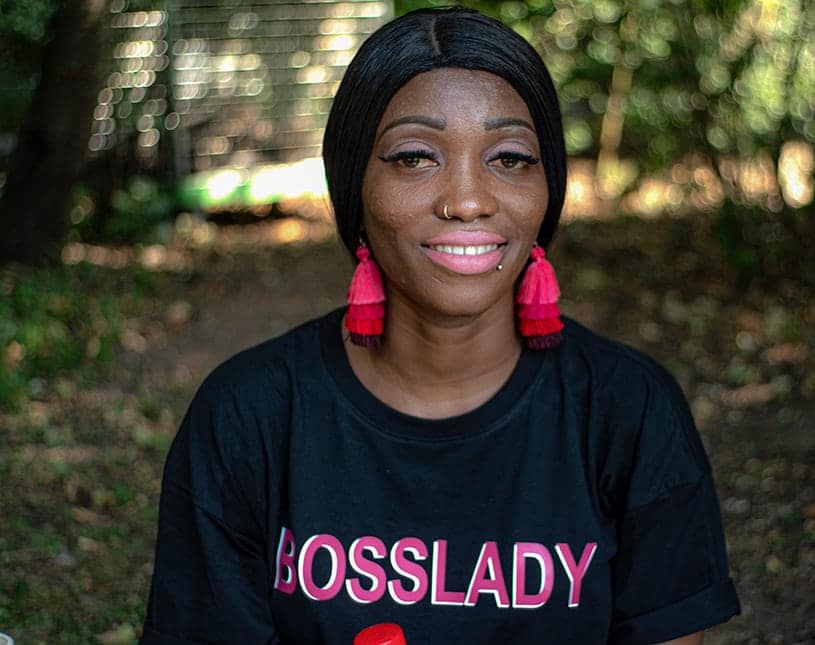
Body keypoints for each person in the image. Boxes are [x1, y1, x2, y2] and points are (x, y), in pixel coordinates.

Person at [141, 7, 740, 644]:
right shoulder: (247, 417)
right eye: (415, 157)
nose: (468, 200)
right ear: (354, 188)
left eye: (510, 159)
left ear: (549, 190)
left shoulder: (629, 412)